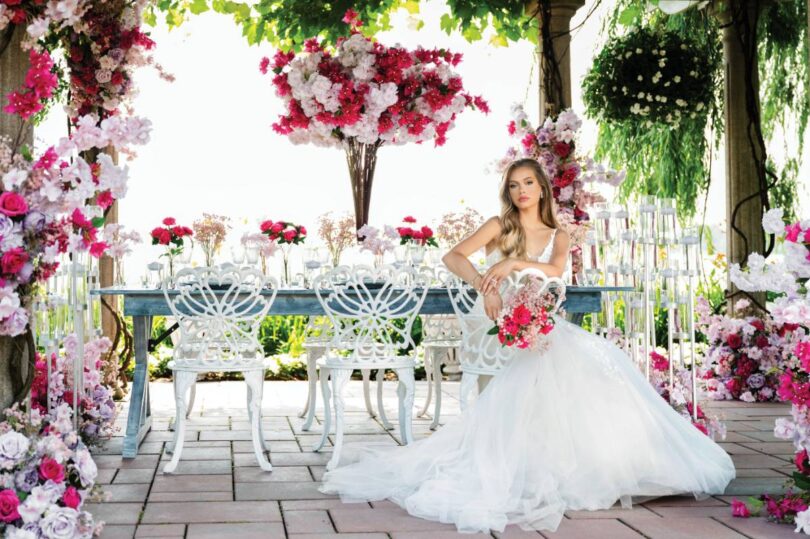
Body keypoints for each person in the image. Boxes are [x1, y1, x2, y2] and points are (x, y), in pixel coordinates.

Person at [319, 158, 735, 534]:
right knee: (544, 371)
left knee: (595, 368)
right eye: (515, 184)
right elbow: (453, 257)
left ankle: (602, 465)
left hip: (544, 329)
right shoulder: (500, 226)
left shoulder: (558, 234)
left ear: (542, 190)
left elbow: (555, 270)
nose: (522, 191)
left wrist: (512, 263)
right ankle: (532, 465)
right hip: (505, 330)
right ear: (509, 191)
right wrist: (486, 285)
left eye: (529, 183)